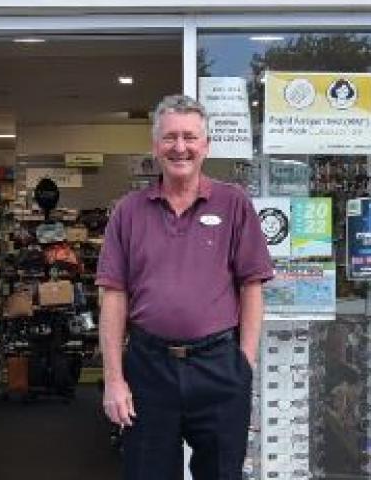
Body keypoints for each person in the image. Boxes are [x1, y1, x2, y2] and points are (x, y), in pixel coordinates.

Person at [96, 94, 274, 479]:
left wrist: (243, 365)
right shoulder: (128, 211)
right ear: (155, 145)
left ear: (206, 145)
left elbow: (252, 285)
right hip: (148, 368)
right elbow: (113, 295)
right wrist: (114, 379)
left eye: (190, 137)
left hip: (218, 367)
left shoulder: (234, 204)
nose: (181, 147)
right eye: (170, 137)